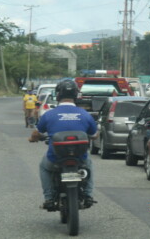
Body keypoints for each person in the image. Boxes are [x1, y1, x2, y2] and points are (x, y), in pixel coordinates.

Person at [28, 79, 98, 209]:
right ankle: (88, 195)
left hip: (55, 158)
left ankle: (49, 198)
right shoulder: (85, 115)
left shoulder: (49, 115)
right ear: (76, 95)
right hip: (79, 159)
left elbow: (36, 133)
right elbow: (94, 135)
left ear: (58, 95)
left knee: (44, 167)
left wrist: (33, 139)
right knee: (89, 165)